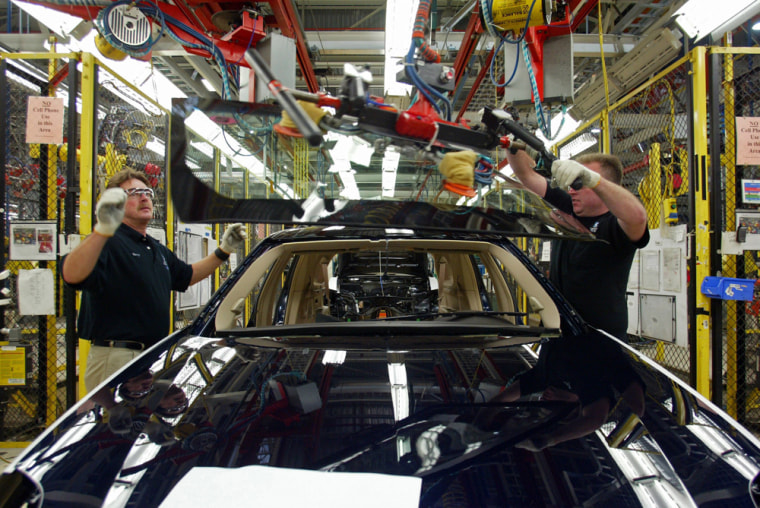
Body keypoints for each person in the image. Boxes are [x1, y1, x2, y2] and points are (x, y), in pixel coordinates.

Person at [62, 168, 246, 392]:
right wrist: (102, 231)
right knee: (112, 425)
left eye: (146, 192)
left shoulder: (154, 248)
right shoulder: (107, 242)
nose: (143, 197)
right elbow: (71, 275)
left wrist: (223, 251)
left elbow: (186, 276)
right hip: (116, 358)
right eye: (132, 193)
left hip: (151, 354)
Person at [507, 149, 649, 340]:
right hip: (557, 334)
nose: (571, 190)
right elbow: (526, 175)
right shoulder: (570, 209)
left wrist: (595, 180)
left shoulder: (614, 227)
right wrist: (510, 144)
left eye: (579, 183)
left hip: (600, 343)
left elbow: (638, 217)